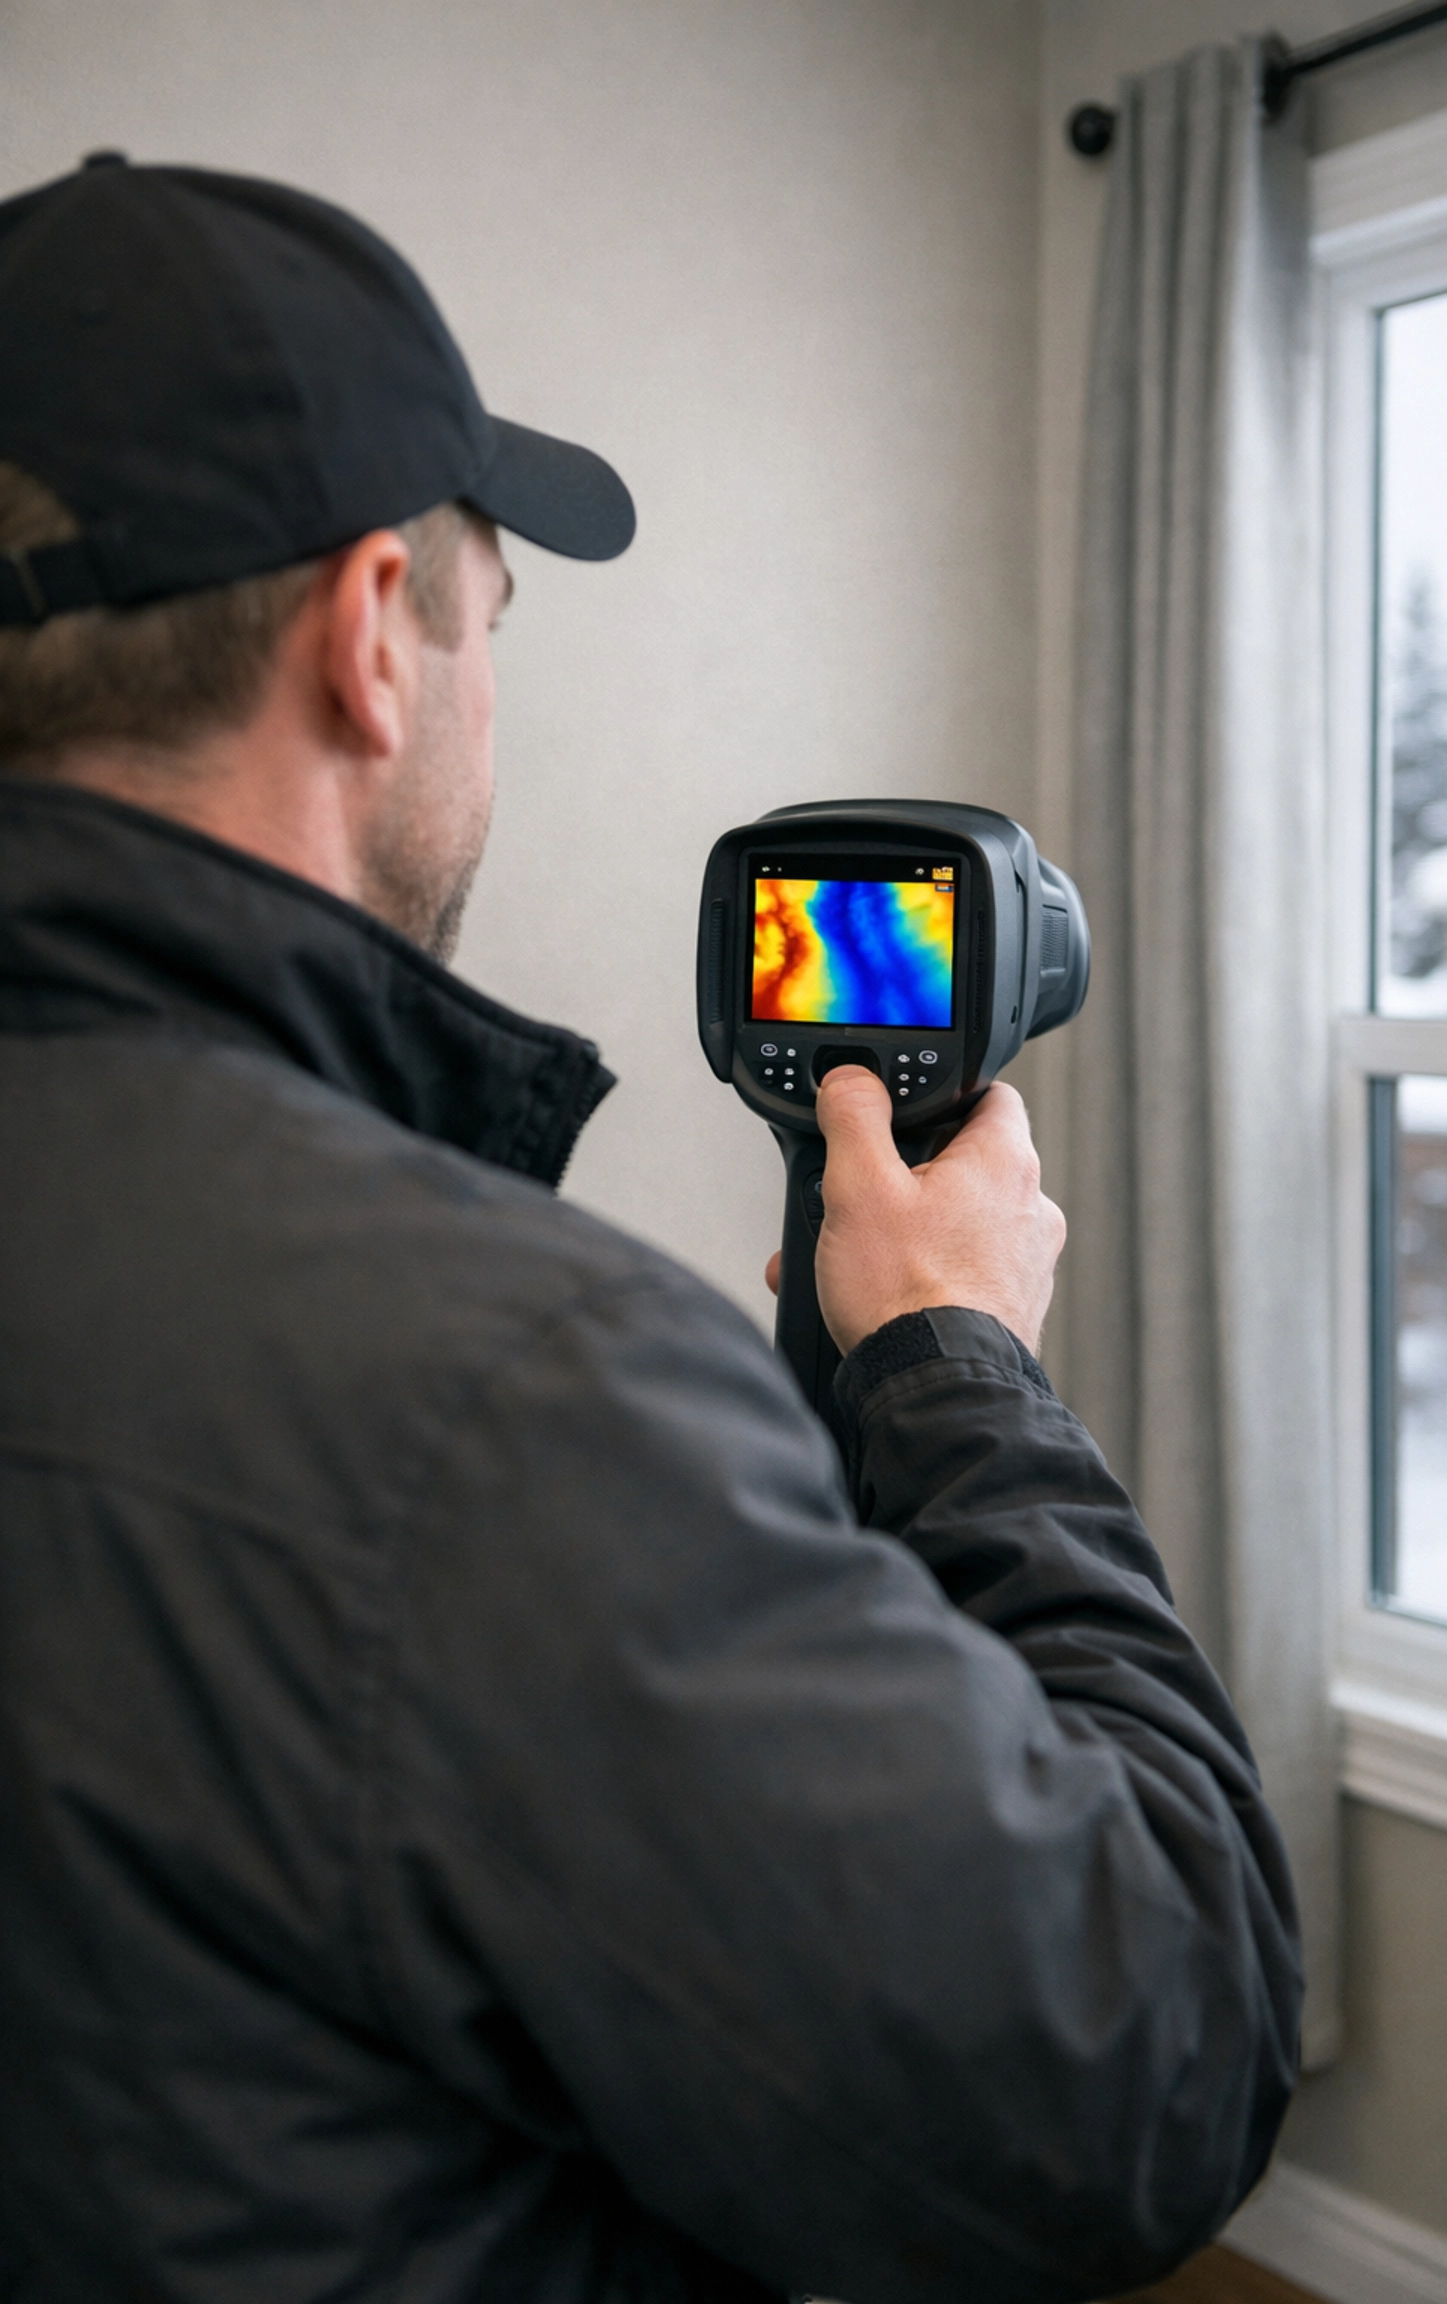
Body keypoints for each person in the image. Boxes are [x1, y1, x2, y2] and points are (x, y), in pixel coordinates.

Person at [0, 158, 1301, 2304]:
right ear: (368, 650)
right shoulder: (501, 1401)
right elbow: (1144, 2057)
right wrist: (953, 1360)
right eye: (485, 619)